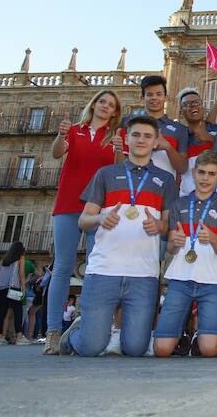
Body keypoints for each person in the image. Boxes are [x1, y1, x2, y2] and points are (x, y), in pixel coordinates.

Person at [60, 114, 177, 357]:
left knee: (134, 349)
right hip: (104, 271)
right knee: (91, 348)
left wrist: (160, 226)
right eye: (135, 135)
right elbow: (84, 220)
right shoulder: (106, 174)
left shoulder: (165, 180)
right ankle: (74, 335)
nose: (141, 140)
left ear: (156, 142)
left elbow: (169, 225)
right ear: (127, 139)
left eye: (147, 136)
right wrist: (100, 218)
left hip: (143, 275)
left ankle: (101, 330)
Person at [44, 89, 123, 354]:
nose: (105, 106)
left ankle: (89, 326)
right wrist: (60, 135)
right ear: (94, 104)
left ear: (115, 112)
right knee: (62, 268)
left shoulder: (116, 137)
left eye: (111, 105)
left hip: (97, 209)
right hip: (68, 203)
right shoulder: (75, 130)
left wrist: (121, 152)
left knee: (95, 268)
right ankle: (53, 332)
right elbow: (57, 153)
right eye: (102, 101)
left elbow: (117, 169)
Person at [154, 150, 217, 358]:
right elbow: (171, 248)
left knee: (210, 351)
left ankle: (197, 333)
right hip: (180, 280)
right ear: (193, 173)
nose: (205, 178)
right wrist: (175, 243)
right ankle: (180, 335)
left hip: (211, 283)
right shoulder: (179, 204)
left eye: (211, 174)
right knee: (161, 350)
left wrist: (214, 239)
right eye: (201, 173)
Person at [120, 74, 188, 180]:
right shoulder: (127, 123)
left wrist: (168, 147)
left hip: (163, 191)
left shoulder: (179, 129)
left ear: (166, 97)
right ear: (142, 98)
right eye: (150, 94)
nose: (154, 98)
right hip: (131, 187)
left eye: (159, 94)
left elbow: (182, 168)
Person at [177, 87, 217, 196]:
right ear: (180, 112)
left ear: (202, 107)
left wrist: (211, 139)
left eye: (196, 102)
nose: (193, 105)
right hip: (187, 200)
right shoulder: (179, 136)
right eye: (187, 104)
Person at [0, 241, 30, 345]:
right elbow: (21, 274)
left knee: (2, 312)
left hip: (2, 288)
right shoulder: (20, 258)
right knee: (18, 311)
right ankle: (19, 336)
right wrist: (23, 288)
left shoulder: (3, 260)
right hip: (14, 287)